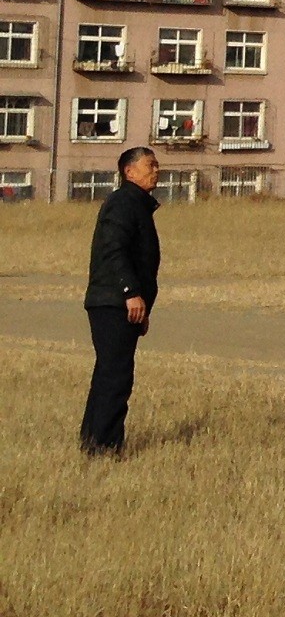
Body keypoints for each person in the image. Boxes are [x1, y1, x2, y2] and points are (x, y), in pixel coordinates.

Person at [80, 146, 163, 455]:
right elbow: (114, 250)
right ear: (130, 172)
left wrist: (142, 307)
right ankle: (104, 447)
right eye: (150, 165)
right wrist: (131, 293)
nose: (157, 170)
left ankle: (94, 442)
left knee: (109, 373)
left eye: (157, 165)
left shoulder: (136, 204)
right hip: (113, 302)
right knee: (115, 376)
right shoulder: (124, 202)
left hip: (120, 303)